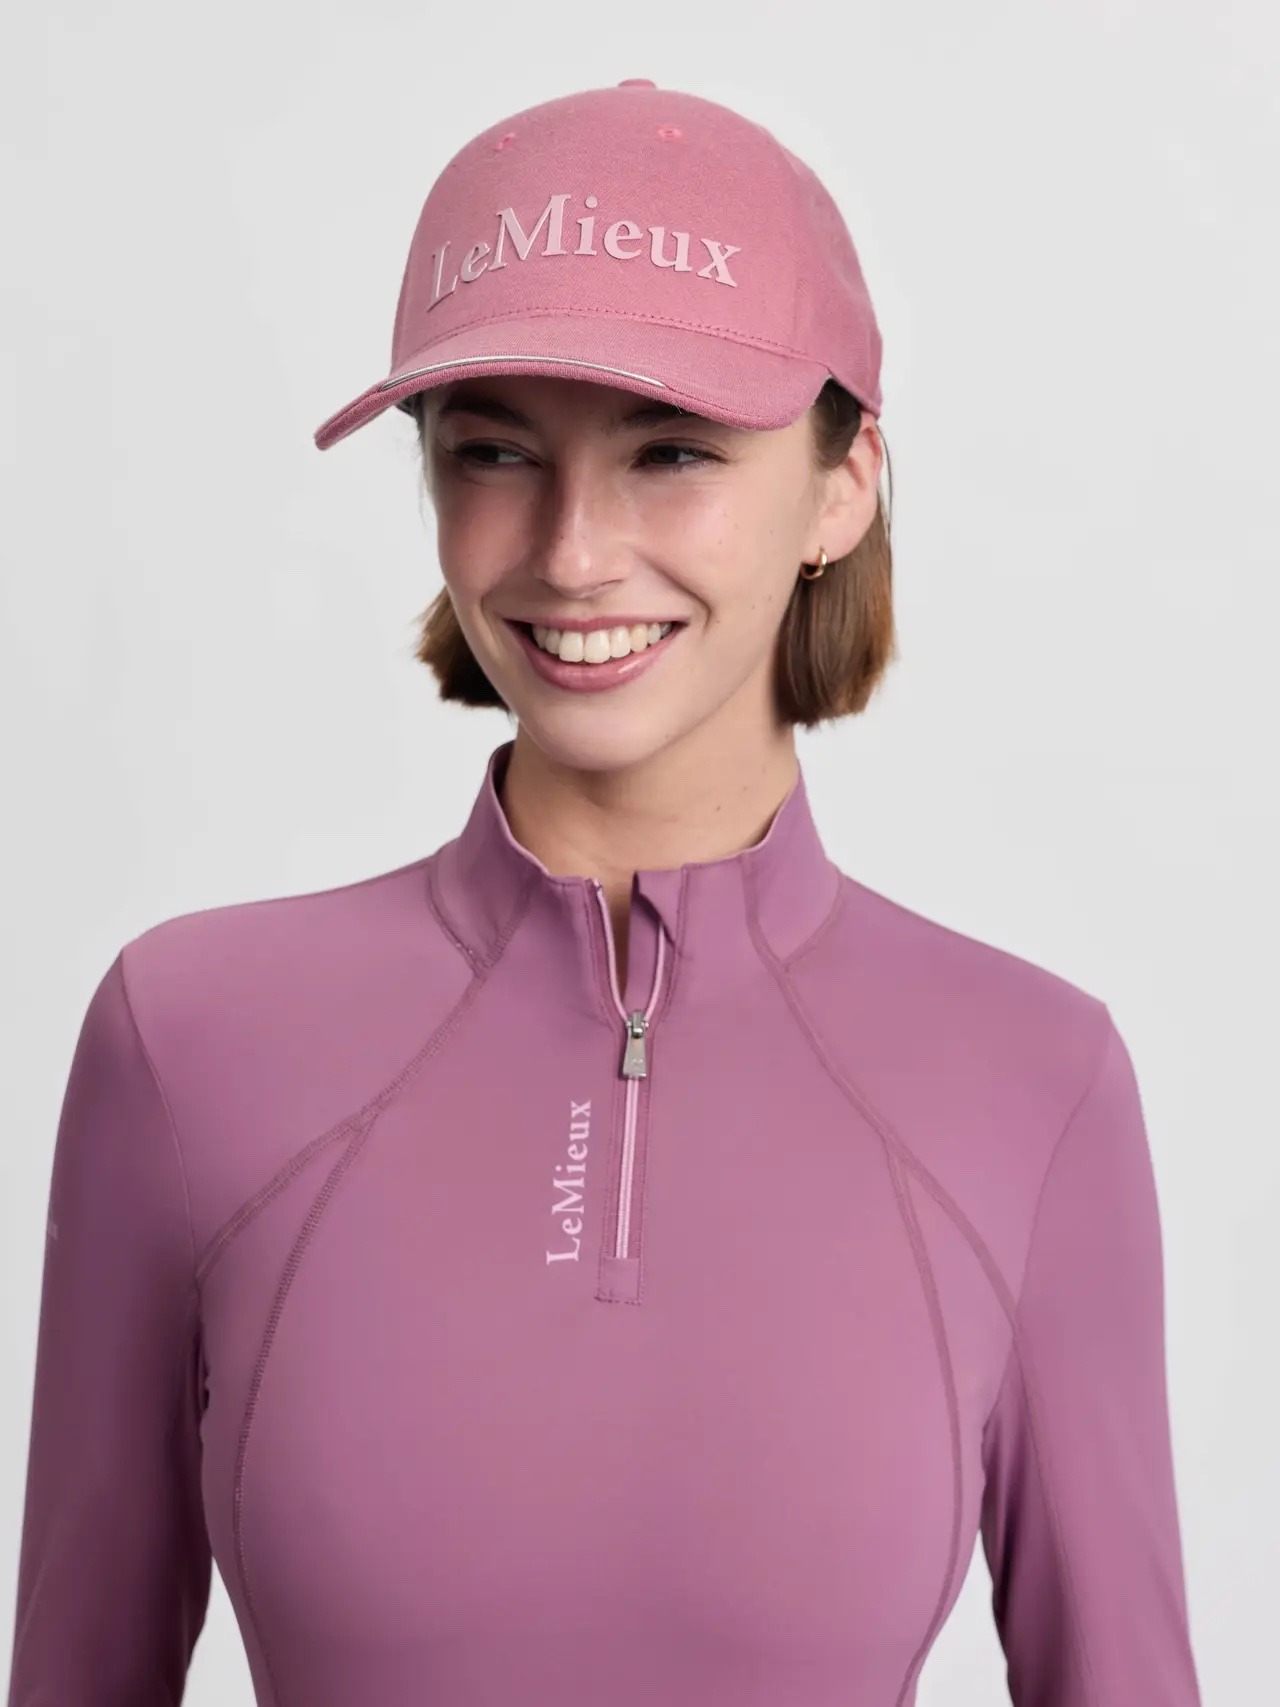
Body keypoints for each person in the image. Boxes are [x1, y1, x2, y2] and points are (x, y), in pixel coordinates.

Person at [5, 79, 1202, 1707]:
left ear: (843, 484)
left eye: (671, 452)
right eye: (494, 449)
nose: (571, 554)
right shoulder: (188, 1041)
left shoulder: (1035, 1084)